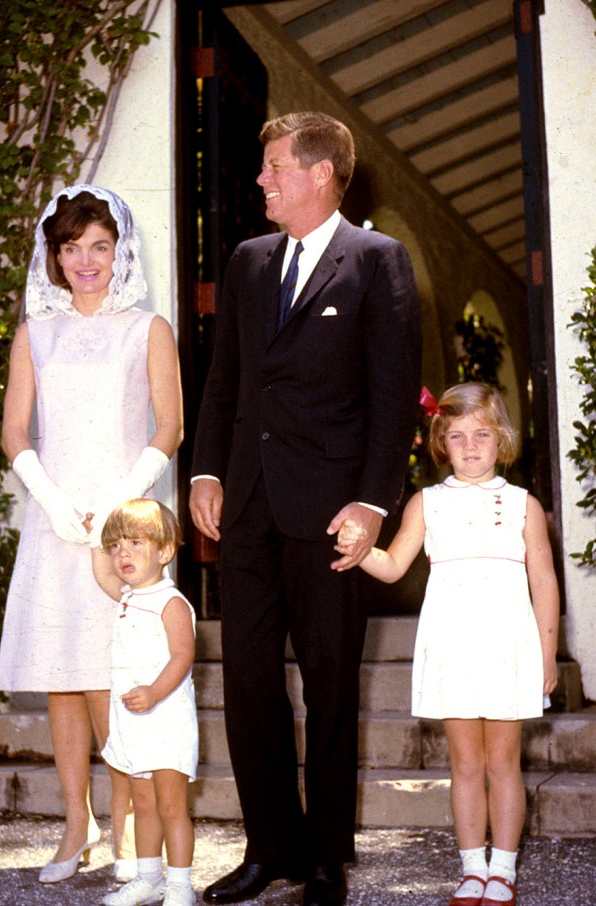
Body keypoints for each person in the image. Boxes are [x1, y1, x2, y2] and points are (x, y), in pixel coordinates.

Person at [189, 111, 422, 906]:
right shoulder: (250, 261)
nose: (262, 179)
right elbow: (225, 380)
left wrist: (371, 505)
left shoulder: (377, 262)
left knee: (329, 685)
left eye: (275, 167)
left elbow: (392, 403)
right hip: (248, 509)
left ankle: (325, 860)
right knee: (249, 683)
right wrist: (206, 472)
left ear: (321, 174)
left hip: (330, 517)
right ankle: (268, 852)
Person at [0, 185, 183, 885]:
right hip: (54, 523)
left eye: (98, 246)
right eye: (71, 248)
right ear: (55, 254)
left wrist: (118, 501)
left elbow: (170, 426)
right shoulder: (35, 334)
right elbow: (16, 431)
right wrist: (48, 501)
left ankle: (130, 826)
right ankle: (76, 821)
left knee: (114, 677)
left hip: (121, 524)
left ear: (120, 250)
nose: (85, 260)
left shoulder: (148, 328)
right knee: (62, 682)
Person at [337, 383, 560, 906]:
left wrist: (547, 653)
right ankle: (471, 868)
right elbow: (391, 566)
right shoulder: (427, 503)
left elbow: (545, 582)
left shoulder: (522, 504)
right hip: (453, 647)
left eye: (482, 434)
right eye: (457, 436)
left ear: (500, 437)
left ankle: (503, 868)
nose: (471, 446)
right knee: (464, 763)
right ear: (441, 442)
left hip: (507, 646)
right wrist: (358, 546)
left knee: (503, 761)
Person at [92, 498, 198, 906]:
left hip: (165, 718)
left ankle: (179, 885)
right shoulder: (127, 597)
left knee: (171, 805)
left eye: (136, 542)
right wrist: (94, 526)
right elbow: (99, 563)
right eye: (116, 546)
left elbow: (182, 655)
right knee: (143, 801)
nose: (123, 554)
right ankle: (149, 877)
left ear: (165, 551)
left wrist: (154, 691)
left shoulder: (170, 602)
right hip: (132, 720)